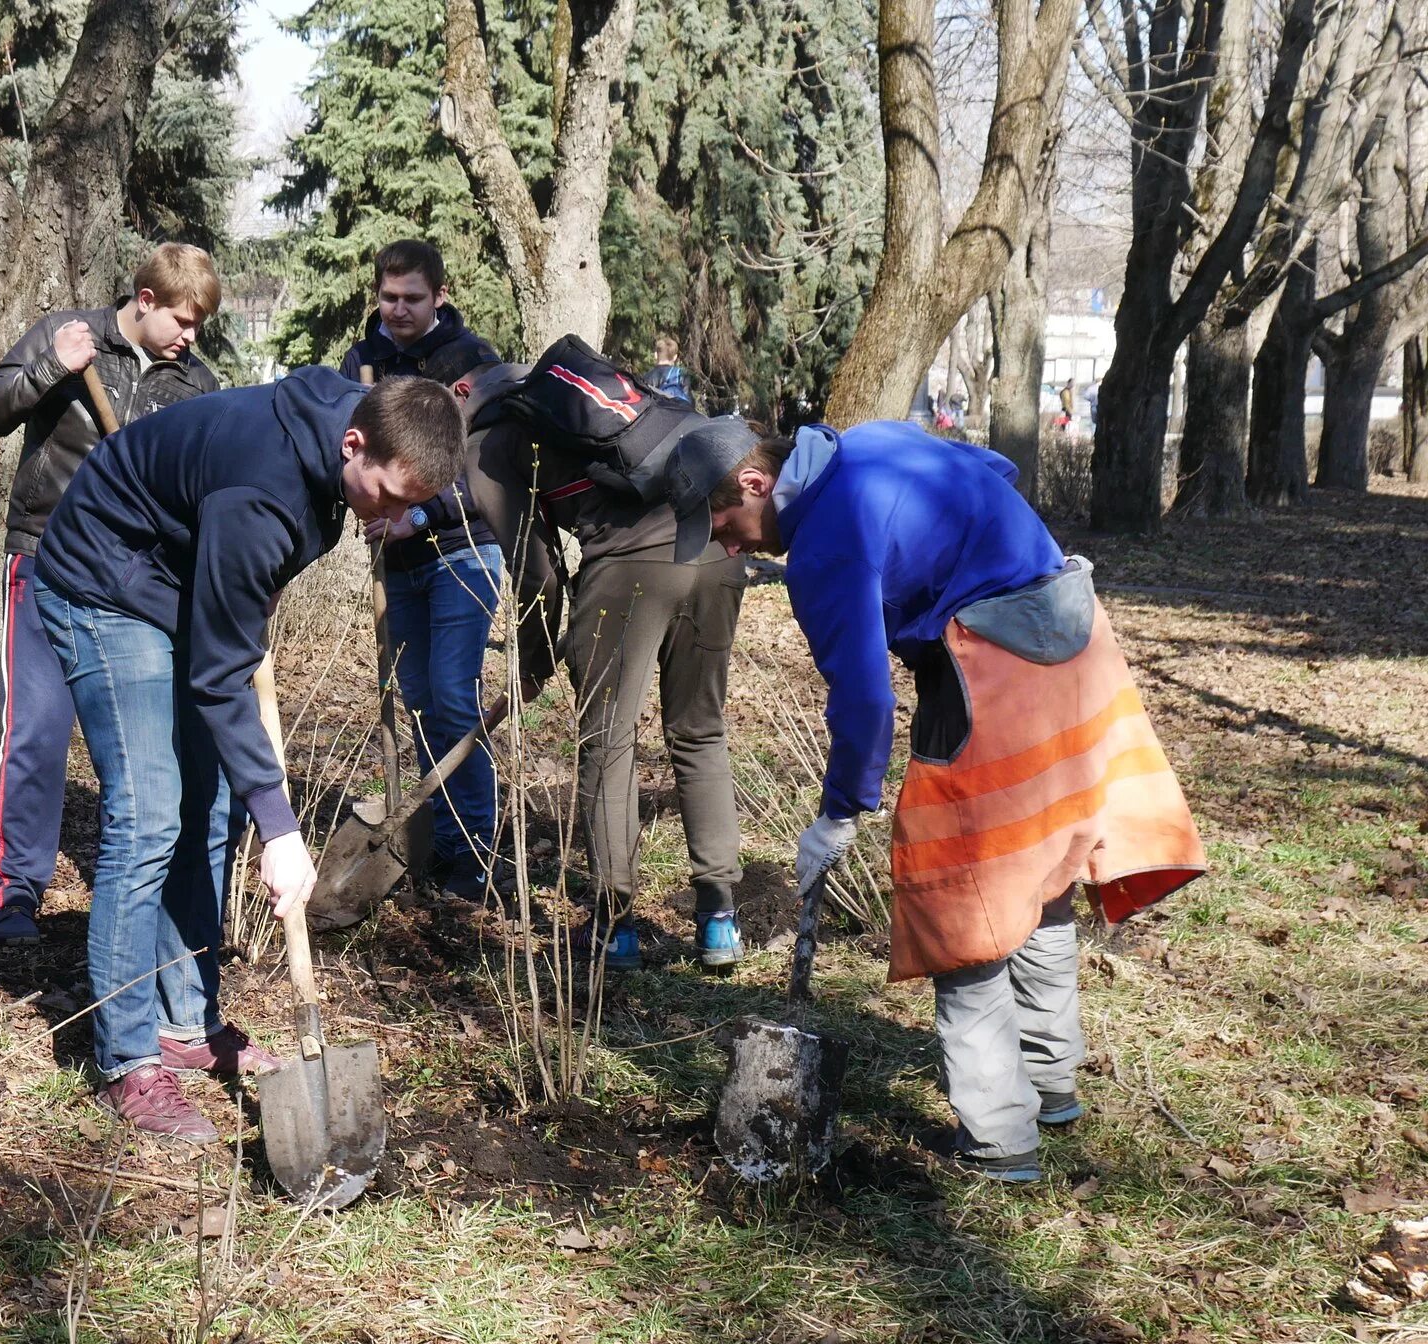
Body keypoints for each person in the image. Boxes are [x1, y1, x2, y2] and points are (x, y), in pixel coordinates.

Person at [705, 420, 1205, 1181]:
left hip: (990, 665)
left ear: (755, 483)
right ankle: (1050, 1082)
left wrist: (841, 809)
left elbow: (865, 696)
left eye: (726, 527)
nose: (732, 547)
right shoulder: (871, 441)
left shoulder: (824, 542)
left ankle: (1002, 1138)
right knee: (1041, 871)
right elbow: (992, 466)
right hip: (1075, 636)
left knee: (962, 901)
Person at [34, 369, 466, 1141]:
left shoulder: (346, 427)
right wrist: (284, 828)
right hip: (105, 578)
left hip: (173, 574)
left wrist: (243, 585)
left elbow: (227, 630)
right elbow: (218, 675)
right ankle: (128, 1060)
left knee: (208, 807)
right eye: (389, 495)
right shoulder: (261, 496)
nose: (394, 516)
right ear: (354, 443)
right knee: (149, 813)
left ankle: (186, 1024)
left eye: (412, 504)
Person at [450, 356, 750, 970]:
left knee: (608, 742)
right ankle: (720, 920)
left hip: (629, 569)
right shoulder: (608, 409)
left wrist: (532, 661)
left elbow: (537, 572)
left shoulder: (487, 447)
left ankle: (616, 927)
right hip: (720, 548)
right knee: (700, 730)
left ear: (463, 394)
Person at [0, 243, 224, 945]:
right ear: (144, 300)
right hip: (43, 554)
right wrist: (53, 366)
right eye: (181, 318)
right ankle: (17, 888)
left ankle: (152, 891)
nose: (190, 334)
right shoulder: (70, 332)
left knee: (144, 746)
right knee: (37, 729)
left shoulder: (195, 387)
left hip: (131, 579)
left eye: (199, 322)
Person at [339, 240, 510, 898]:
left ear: (439, 296)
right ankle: (433, 842)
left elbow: (486, 463)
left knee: (448, 693)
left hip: (462, 547)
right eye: (389, 298)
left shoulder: (471, 362)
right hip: (397, 558)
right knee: (415, 699)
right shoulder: (364, 363)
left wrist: (423, 513)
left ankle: (472, 854)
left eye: (413, 298)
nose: (399, 310)